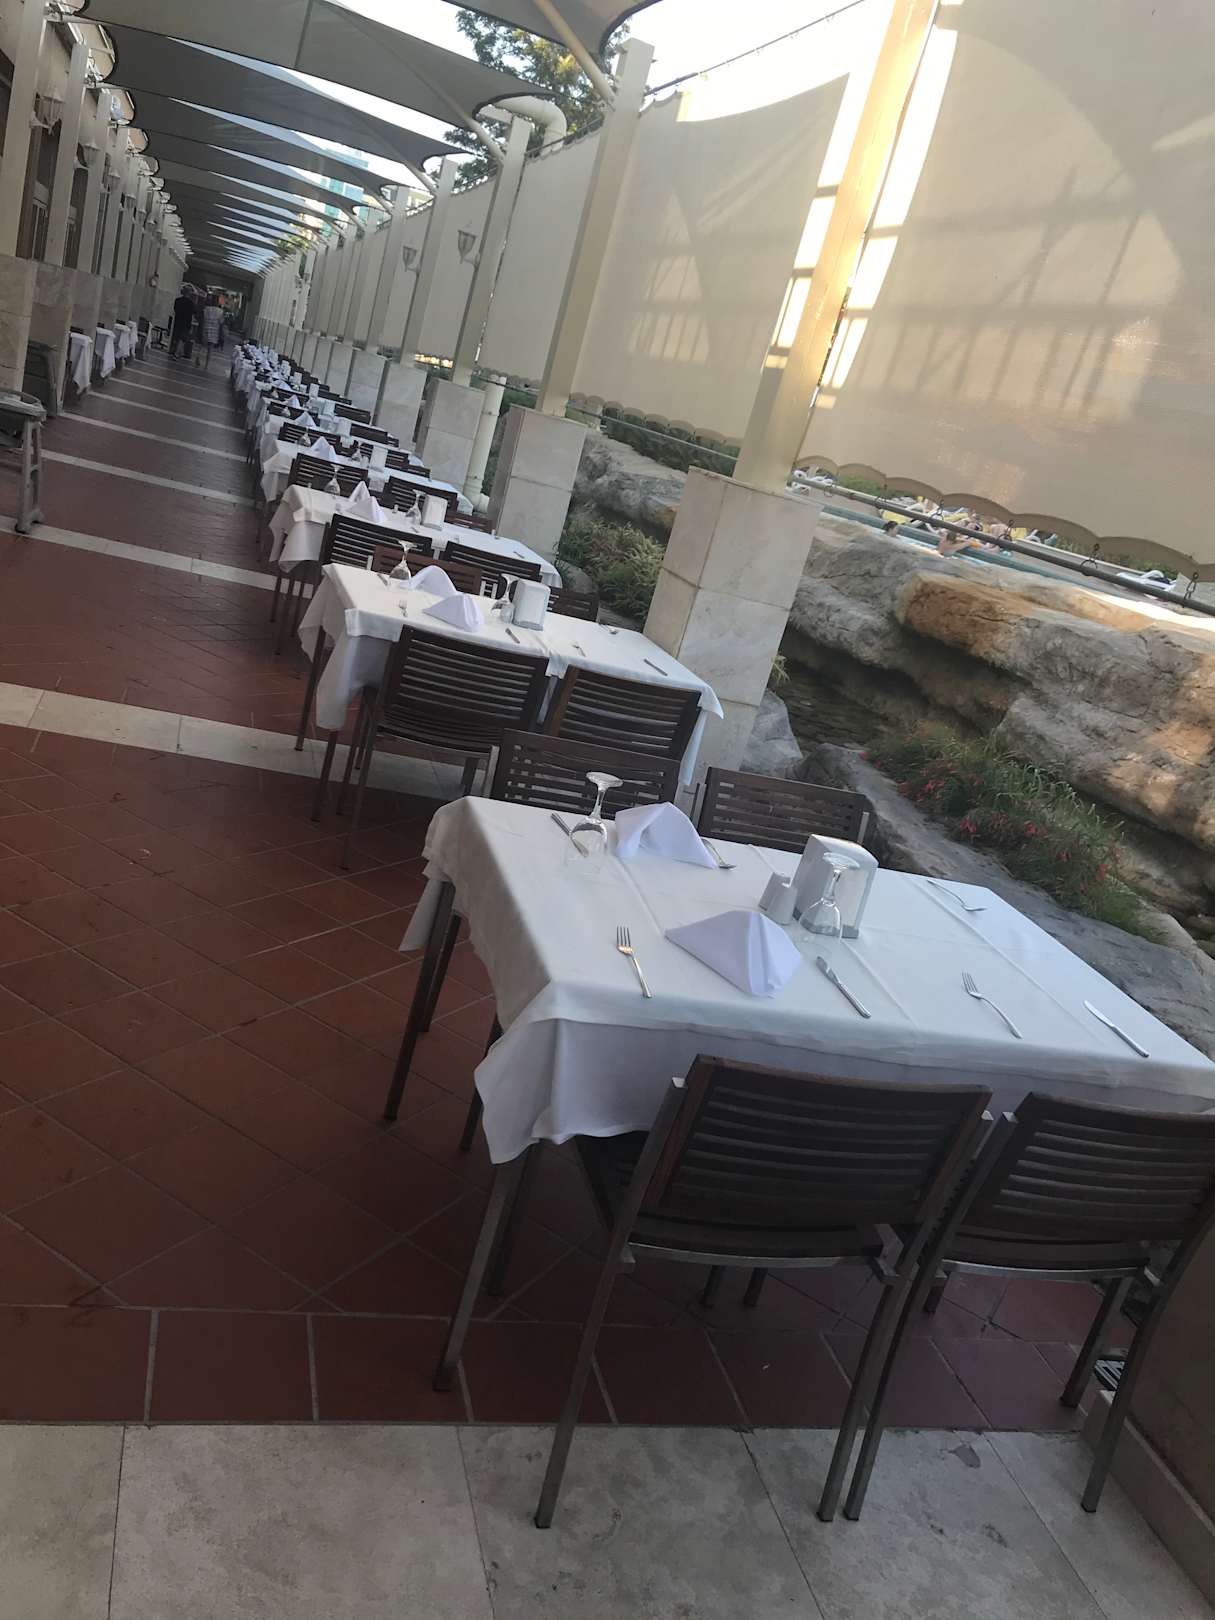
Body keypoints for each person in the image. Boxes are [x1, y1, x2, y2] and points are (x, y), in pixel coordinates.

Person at [197, 294, 223, 370]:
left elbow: (202, 319)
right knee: (210, 349)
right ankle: (207, 365)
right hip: (214, 331)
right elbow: (221, 322)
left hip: (205, 329)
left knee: (202, 345)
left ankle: (198, 356)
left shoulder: (206, 309)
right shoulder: (220, 311)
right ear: (217, 302)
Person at [169, 286, 194, 359]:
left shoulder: (177, 300)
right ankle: (177, 353)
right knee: (182, 339)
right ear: (189, 293)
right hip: (186, 323)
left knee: (176, 337)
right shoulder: (191, 303)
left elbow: (175, 309)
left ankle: (174, 350)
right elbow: (193, 313)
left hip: (178, 321)